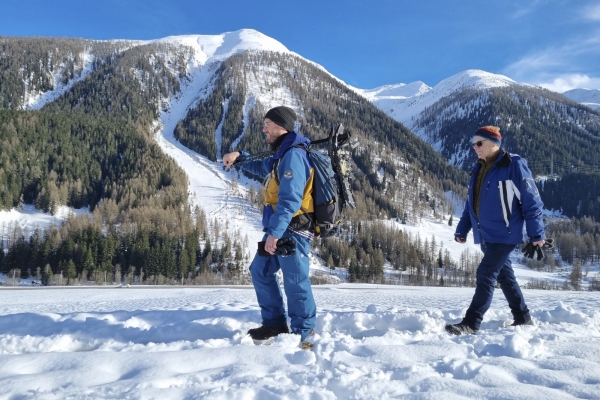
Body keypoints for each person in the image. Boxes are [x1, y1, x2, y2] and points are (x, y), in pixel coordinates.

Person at [222, 106, 317, 346]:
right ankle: (275, 324)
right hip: (279, 229)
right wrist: (239, 156)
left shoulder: (294, 156)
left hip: (293, 230)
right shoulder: (281, 155)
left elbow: (290, 200)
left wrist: (274, 233)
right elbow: (260, 166)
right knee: (260, 271)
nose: (264, 128)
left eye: (267, 124)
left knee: (295, 281)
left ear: (281, 126)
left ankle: (304, 335)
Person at [446, 126, 546, 335]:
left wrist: (537, 234)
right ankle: (522, 317)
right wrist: (463, 229)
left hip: (505, 234)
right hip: (485, 235)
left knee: (486, 273)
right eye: (473, 143)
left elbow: (532, 201)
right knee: (505, 277)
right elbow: (470, 204)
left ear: (494, 144)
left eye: (479, 143)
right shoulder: (479, 168)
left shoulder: (514, 165)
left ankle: (471, 322)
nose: (475, 147)